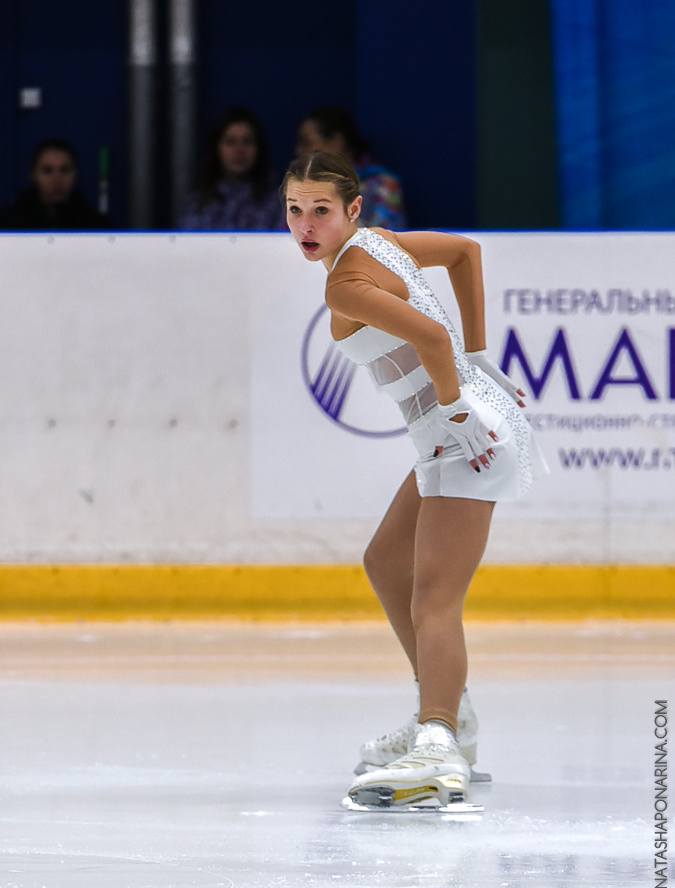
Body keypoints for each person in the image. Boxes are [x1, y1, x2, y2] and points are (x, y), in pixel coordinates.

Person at [282, 151, 547, 808]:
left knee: (433, 601)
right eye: (293, 210)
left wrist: (456, 401)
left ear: (351, 211)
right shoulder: (384, 244)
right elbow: (463, 252)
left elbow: (430, 336)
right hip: (457, 433)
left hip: (464, 438)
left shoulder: (343, 285)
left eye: (320, 210)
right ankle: (449, 715)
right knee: (384, 561)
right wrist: (478, 352)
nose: (305, 225)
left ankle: (439, 744)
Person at [295, 106, 407, 230]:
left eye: (307, 142)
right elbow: (281, 237)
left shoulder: (381, 184)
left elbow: (386, 240)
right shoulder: (301, 186)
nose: (299, 151)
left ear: (337, 140)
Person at [178, 107, 283, 231]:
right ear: (216, 148)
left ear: (259, 148)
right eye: (230, 142)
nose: (239, 150)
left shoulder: (277, 204)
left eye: (247, 141)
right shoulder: (196, 205)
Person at [0, 139, 112, 231]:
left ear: (76, 175)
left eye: (65, 170)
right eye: (47, 171)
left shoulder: (95, 225)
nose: (57, 180)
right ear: (33, 175)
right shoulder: (10, 223)